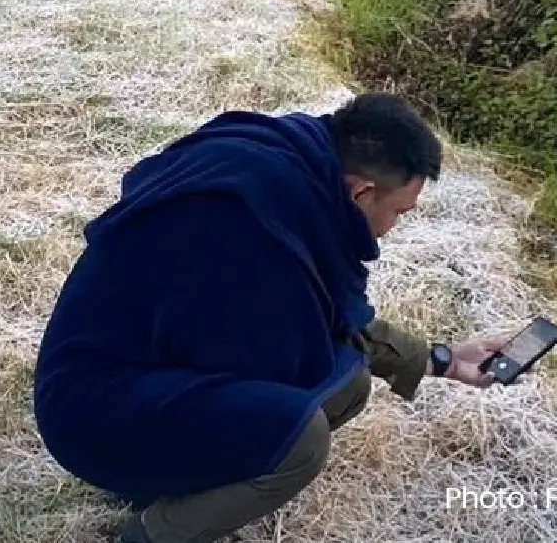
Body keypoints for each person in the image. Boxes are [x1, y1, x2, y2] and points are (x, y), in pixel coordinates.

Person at [34, 95, 512, 543]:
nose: (394, 227)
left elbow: (322, 312)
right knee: (298, 438)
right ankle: (150, 533)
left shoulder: (284, 167)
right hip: (90, 411)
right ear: (362, 192)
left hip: (135, 369)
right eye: (399, 211)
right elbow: (288, 346)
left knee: (347, 381)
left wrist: (442, 360)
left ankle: (180, 483)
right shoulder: (253, 227)